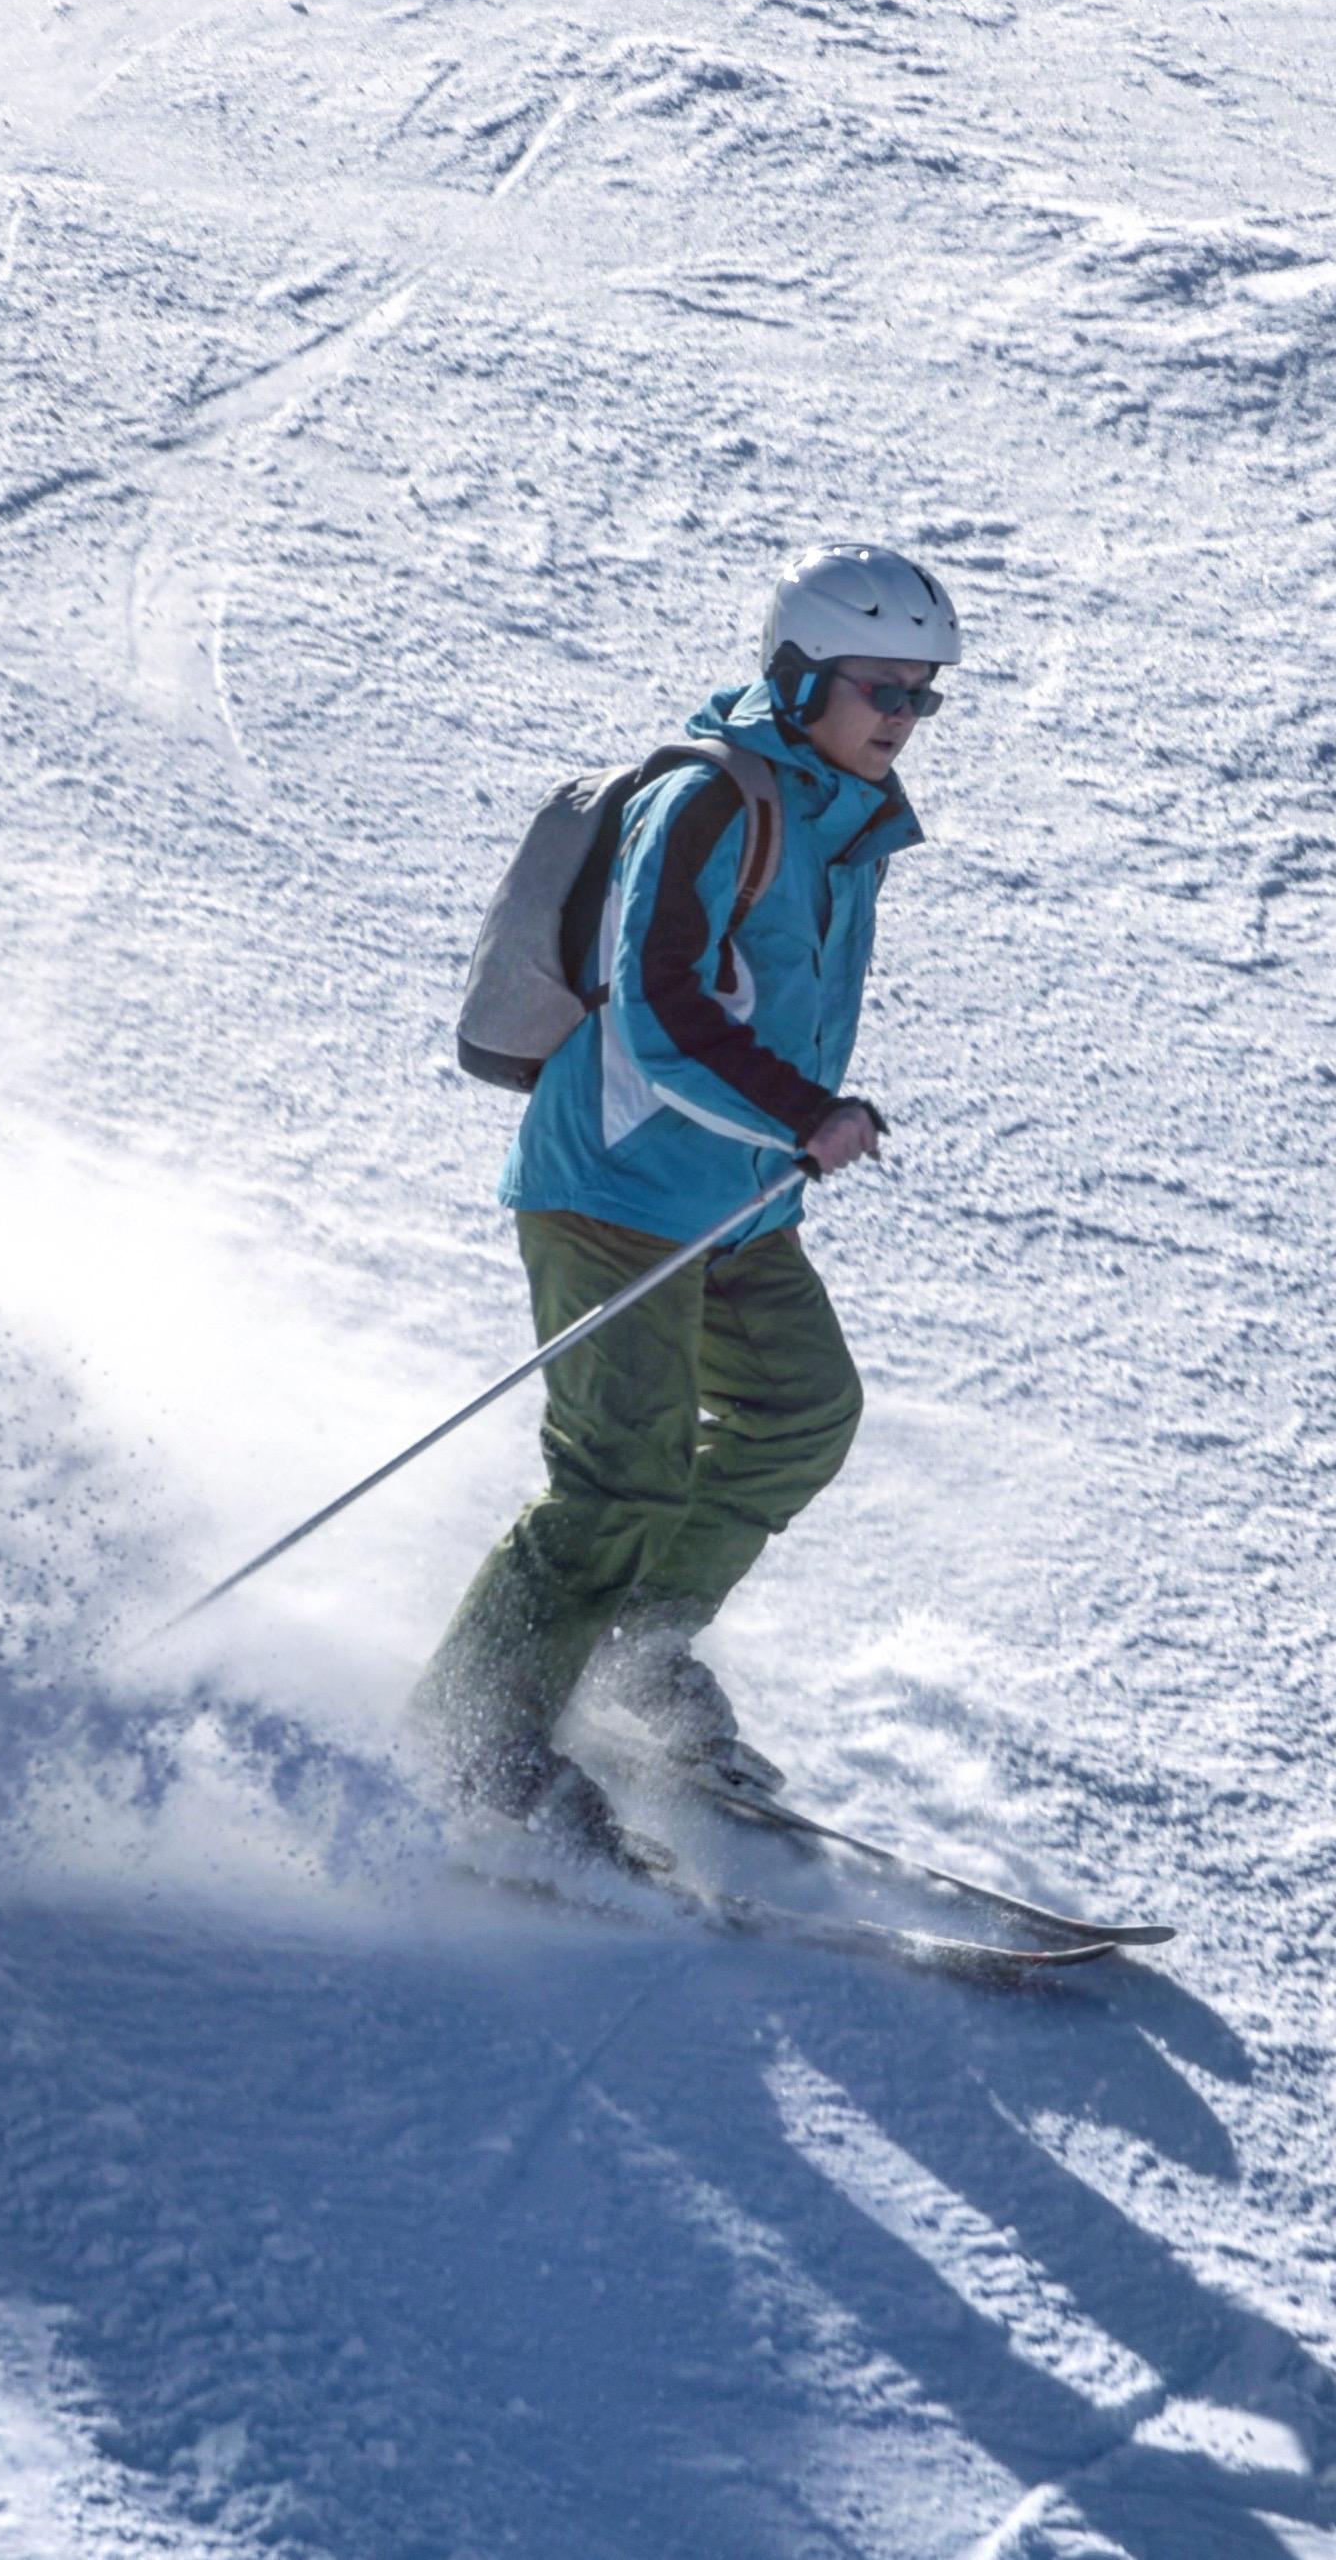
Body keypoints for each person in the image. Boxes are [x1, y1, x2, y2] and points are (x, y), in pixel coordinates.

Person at [412, 542, 957, 1868]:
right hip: (612, 1186)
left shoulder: (843, 826)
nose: (899, 713)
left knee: (799, 1413)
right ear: (797, 676)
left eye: (922, 693)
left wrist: (788, 1135)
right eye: (875, 685)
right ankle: (473, 1740)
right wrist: (801, 1114)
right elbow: (657, 1014)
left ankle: (632, 1660)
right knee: (620, 1469)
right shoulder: (716, 801)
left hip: (736, 1203)